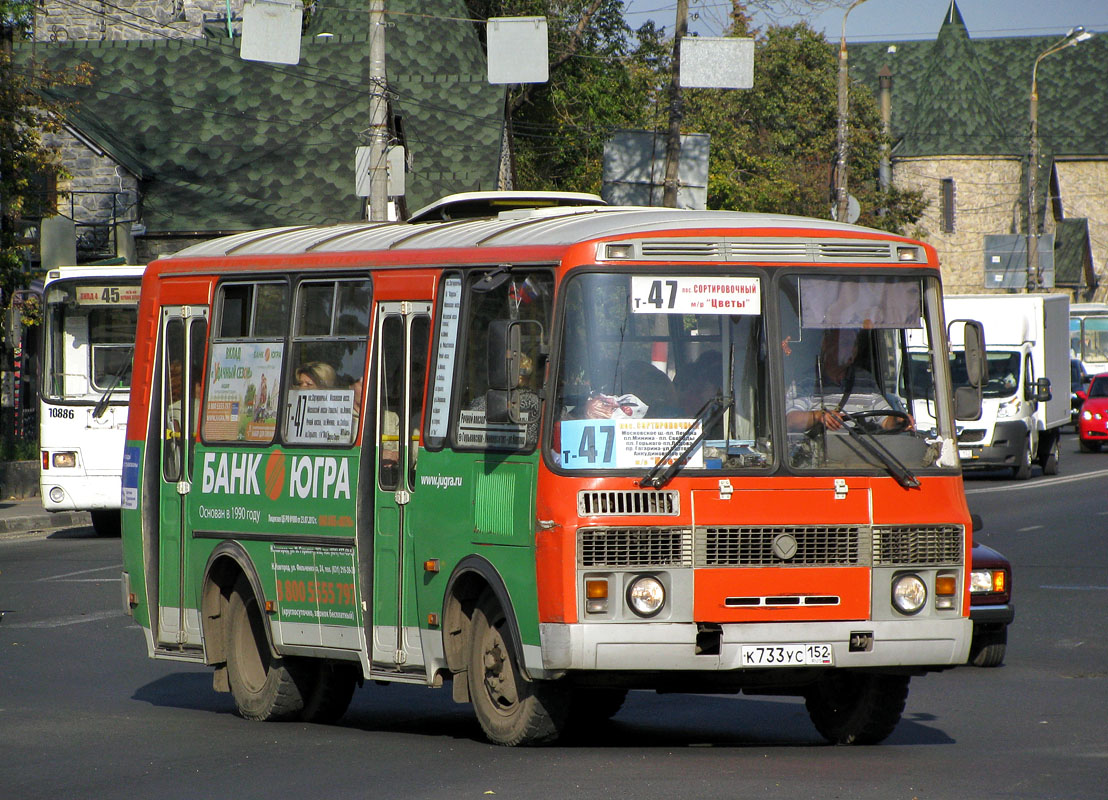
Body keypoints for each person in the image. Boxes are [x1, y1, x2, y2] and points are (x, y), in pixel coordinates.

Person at [786, 328, 911, 433]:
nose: (851, 349)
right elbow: (790, 421)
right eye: (845, 343)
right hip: (820, 456)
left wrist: (898, 420)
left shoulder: (865, 380)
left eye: (854, 345)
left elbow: (885, 421)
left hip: (859, 456)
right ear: (826, 345)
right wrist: (818, 416)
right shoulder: (806, 381)